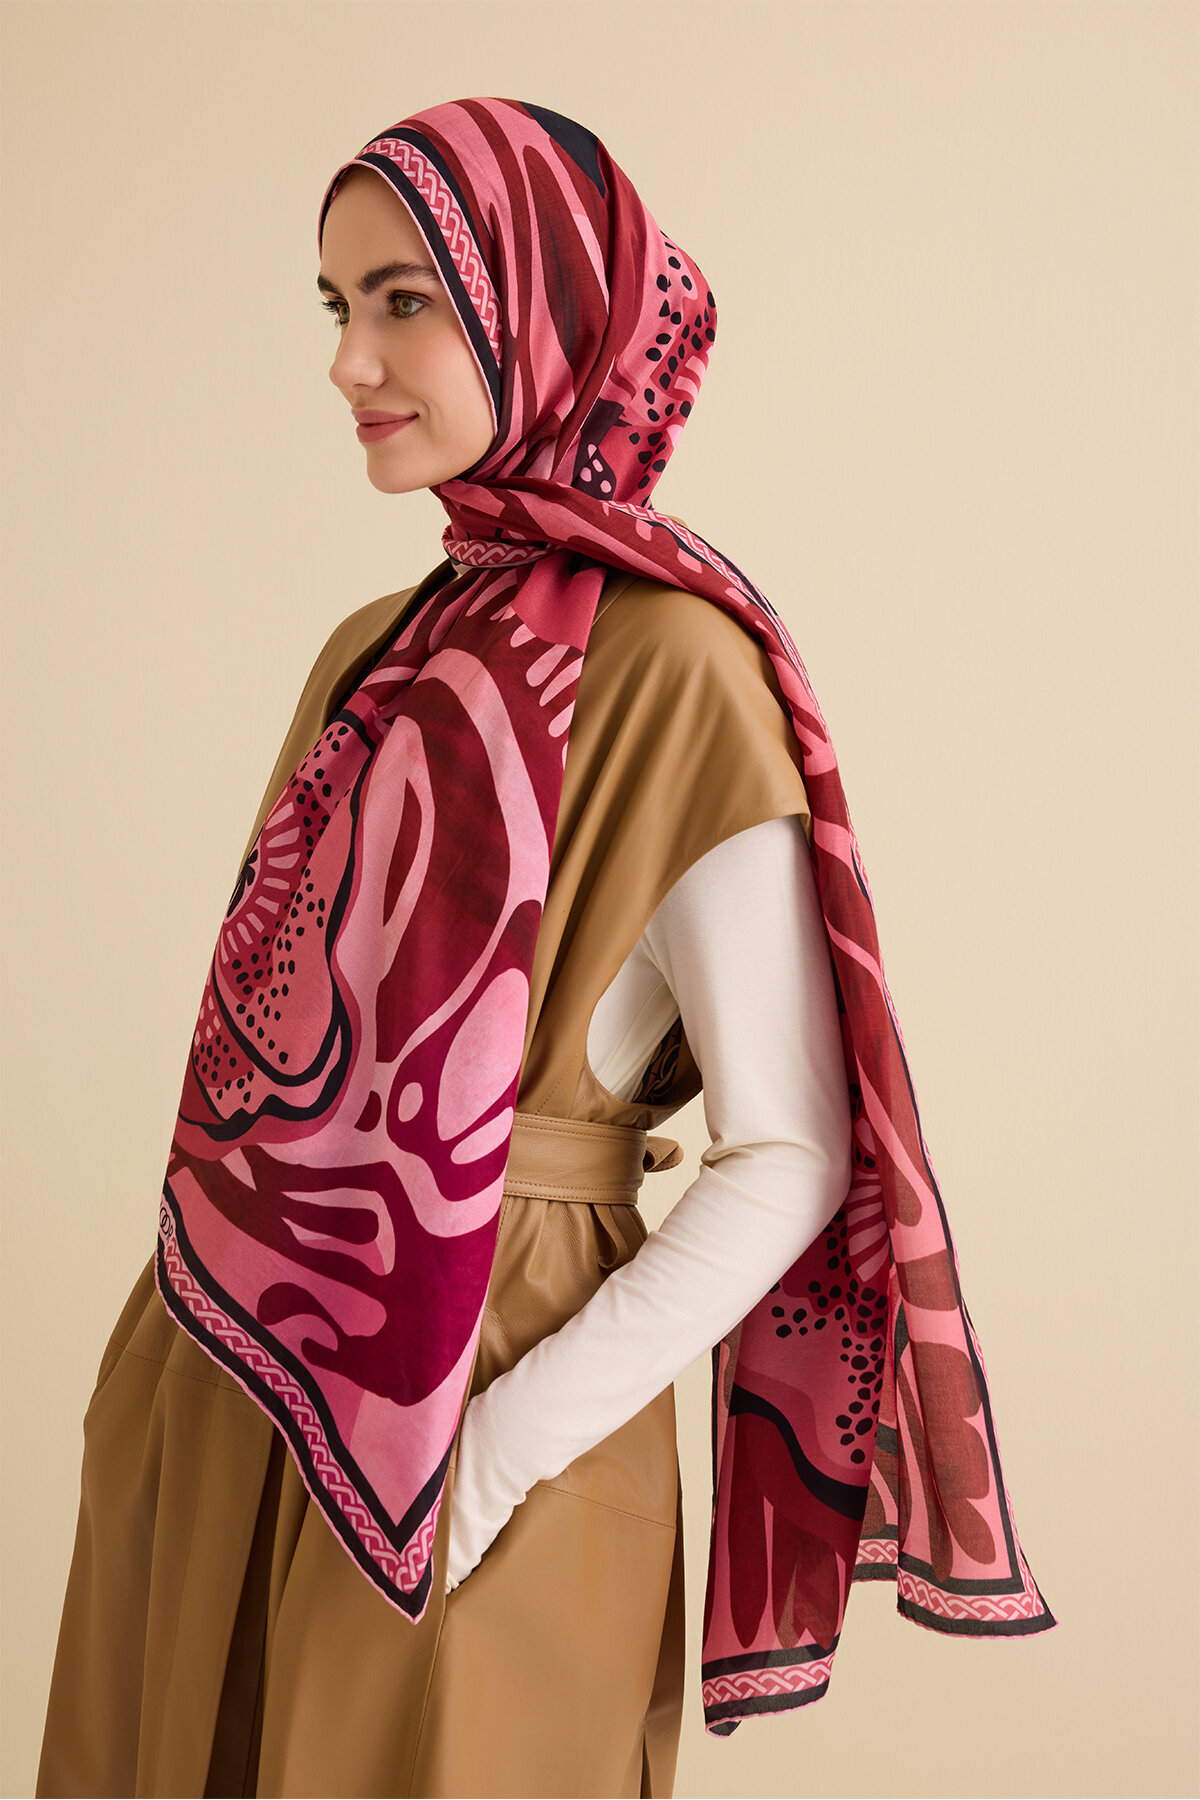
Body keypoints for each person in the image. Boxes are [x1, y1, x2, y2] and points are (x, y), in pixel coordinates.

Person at [36, 97, 1053, 1800]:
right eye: (335, 304)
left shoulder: (681, 672)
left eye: (404, 301)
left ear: (548, 311)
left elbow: (793, 1157)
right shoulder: (373, 651)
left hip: (486, 1399)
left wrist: (488, 1463)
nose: (348, 360)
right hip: (220, 1372)